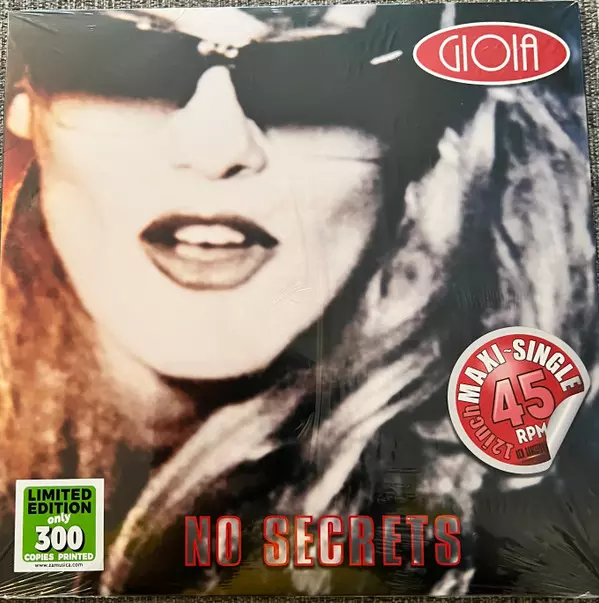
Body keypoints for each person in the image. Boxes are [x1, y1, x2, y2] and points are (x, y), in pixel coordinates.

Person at [0, 3, 596, 596]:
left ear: (421, 128)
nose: (216, 147)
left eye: (311, 65)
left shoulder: (497, 502)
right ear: (23, 100)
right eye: (129, 57)